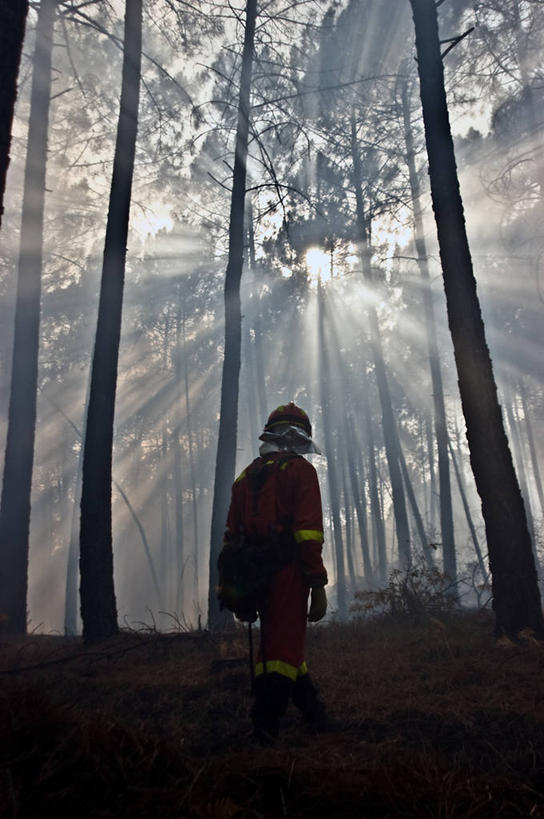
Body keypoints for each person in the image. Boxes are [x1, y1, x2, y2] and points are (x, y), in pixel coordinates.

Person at [223, 402, 329, 743]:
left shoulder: (245, 477)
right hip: (288, 573)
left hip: (254, 576)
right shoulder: (300, 472)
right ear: (298, 438)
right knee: (282, 650)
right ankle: (264, 727)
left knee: (278, 644)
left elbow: (232, 535)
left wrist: (239, 589)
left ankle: (315, 715)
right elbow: (308, 532)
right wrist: (317, 583)